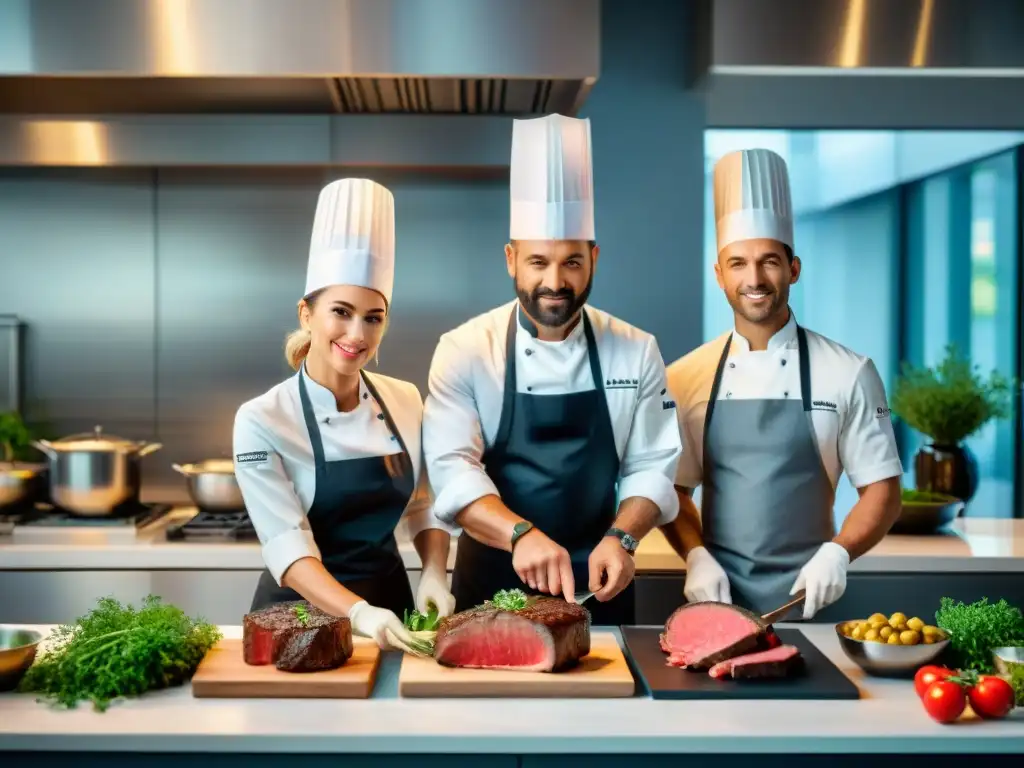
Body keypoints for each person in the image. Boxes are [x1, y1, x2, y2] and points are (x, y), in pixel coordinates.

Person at [421, 114, 682, 626]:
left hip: (599, 584)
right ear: (511, 259)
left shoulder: (636, 349)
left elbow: (652, 466)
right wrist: (519, 534)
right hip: (490, 587)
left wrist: (623, 536)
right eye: (538, 262)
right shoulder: (466, 349)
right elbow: (452, 470)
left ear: (595, 258)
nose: (555, 281)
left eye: (572, 262)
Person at [662, 148, 903, 620]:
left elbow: (883, 491)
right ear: (719, 275)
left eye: (769, 261)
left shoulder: (849, 371)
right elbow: (674, 489)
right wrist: (694, 555)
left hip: (812, 600)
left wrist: (839, 552)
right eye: (737, 263)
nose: (754, 278)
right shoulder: (684, 376)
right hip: (714, 602)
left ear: (794, 268)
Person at [233, 178, 456, 651]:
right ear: (306, 314)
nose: (357, 333)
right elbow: (287, 549)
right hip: (296, 621)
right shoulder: (261, 419)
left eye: (373, 317)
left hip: (391, 616)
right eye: (341, 311)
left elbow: (423, 504)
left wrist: (435, 573)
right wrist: (357, 613)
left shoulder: (405, 399)